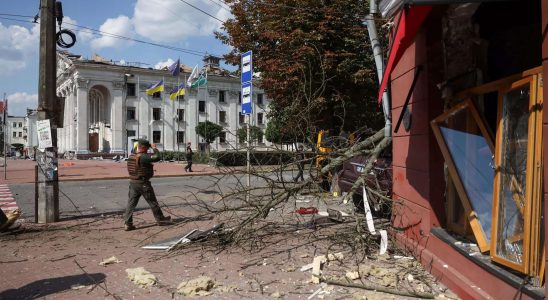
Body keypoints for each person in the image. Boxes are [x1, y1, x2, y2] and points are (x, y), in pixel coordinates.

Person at [124, 139, 171, 231]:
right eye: (147, 148)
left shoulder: (131, 156)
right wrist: (154, 148)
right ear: (144, 148)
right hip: (143, 183)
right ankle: (160, 220)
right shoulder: (143, 157)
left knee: (131, 203)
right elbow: (157, 157)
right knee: (152, 202)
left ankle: (128, 223)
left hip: (133, 182)